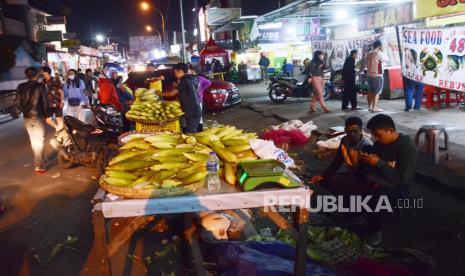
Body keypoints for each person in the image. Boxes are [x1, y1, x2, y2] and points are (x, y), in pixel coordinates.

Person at [359, 114, 418, 243]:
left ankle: (375, 230)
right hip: (382, 178)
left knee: (379, 198)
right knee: (356, 182)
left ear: (390, 131)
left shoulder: (407, 148)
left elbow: (401, 178)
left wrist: (379, 163)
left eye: (378, 135)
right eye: (374, 135)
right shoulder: (380, 144)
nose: (375, 138)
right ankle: (359, 216)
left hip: (399, 186)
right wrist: (371, 161)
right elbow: (376, 165)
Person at [311, 117, 372, 186]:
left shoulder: (366, 146)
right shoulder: (344, 140)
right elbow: (337, 161)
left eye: (355, 131)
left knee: (336, 182)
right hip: (352, 173)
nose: (352, 134)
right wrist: (324, 176)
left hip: (364, 179)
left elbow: (365, 172)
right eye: (349, 131)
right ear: (345, 131)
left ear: (361, 130)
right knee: (325, 181)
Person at [15, 67, 50, 174]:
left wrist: (24, 110)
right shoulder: (40, 86)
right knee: (39, 140)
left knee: (34, 140)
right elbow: (45, 102)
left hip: (27, 117)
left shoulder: (21, 86)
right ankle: (38, 166)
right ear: (36, 75)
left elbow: (17, 102)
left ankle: (41, 159)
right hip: (38, 116)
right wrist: (47, 114)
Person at [173, 63, 202, 133]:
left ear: (180, 71)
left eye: (175, 72)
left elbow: (172, 93)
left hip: (192, 111)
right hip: (195, 109)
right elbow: (188, 92)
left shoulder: (184, 80)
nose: (175, 75)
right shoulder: (192, 78)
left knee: (190, 133)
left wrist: (160, 93)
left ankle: (194, 144)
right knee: (191, 131)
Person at [366, 40, 388, 112]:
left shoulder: (369, 53)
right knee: (377, 92)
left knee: (370, 91)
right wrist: (383, 51)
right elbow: (386, 59)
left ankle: (370, 107)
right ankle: (374, 107)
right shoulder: (378, 53)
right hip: (377, 75)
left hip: (369, 75)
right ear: (379, 46)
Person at [40, 66, 64, 132]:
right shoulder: (42, 82)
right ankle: (58, 129)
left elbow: (61, 91)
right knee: (48, 119)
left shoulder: (55, 79)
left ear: (47, 72)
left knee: (59, 120)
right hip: (48, 105)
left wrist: (62, 101)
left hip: (57, 103)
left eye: (42, 72)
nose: (41, 73)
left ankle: (62, 134)